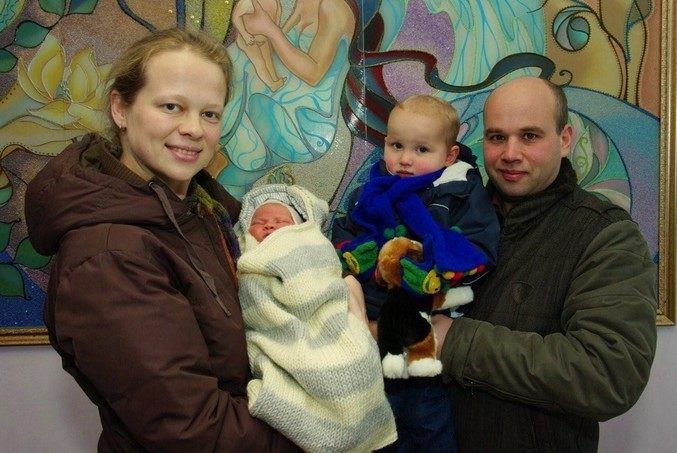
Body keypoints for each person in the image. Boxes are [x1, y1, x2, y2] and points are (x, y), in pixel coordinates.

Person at [24, 28, 302, 451]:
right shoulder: (106, 258)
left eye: (210, 114)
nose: (193, 129)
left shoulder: (202, 207)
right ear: (120, 108)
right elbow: (193, 431)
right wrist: (323, 430)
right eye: (172, 106)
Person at [433, 76, 658, 452]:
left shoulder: (606, 235)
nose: (510, 153)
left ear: (565, 139)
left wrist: (453, 342)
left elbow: (609, 374)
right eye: (497, 137)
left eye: (530, 136)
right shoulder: (446, 219)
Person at [332, 94, 500, 452]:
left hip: (426, 329)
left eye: (421, 149)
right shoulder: (369, 192)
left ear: (449, 155)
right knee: (378, 430)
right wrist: (355, 256)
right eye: (396, 145)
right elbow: (344, 236)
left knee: (428, 423)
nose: (405, 159)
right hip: (373, 331)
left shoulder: (459, 190)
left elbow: (479, 248)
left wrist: (430, 271)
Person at [235, 183, 397, 452]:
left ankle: (355, 418)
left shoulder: (310, 245)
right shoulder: (247, 257)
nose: (270, 226)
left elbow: (315, 286)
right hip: (280, 330)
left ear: (300, 228)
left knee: (355, 362)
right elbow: (253, 299)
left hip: (328, 323)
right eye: (259, 222)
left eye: (281, 221)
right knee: (302, 373)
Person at [232, 0, 286, 91]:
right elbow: (236, 17)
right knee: (259, 62)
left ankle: (275, 79)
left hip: (264, 39)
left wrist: (274, 32)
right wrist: (244, 34)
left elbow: (277, 15)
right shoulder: (248, 2)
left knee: (268, 60)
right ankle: (271, 84)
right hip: (249, 40)